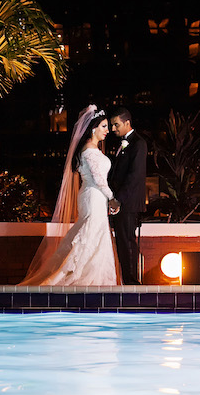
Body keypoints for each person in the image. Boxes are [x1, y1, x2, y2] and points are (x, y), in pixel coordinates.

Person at [19, 105, 120, 286]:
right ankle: (77, 277)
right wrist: (112, 198)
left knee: (96, 235)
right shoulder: (89, 151)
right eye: (104, 126)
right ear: (93, 128)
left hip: (96, 198)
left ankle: (99, 280)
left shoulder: (93, 150)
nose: (107, 131)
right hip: (93, 197)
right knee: (89, 235)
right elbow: (98, 179)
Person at [108, 107, 147, 285]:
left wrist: (118, 200)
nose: (113, 129)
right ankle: (127, 281)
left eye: (116, 125)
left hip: (128, 203)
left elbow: (134, 176)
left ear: (127, 122)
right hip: (121, 202)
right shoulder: (123, 143)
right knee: (122, 243)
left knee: (127, 242)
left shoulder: (139, 144)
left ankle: (132, 283)